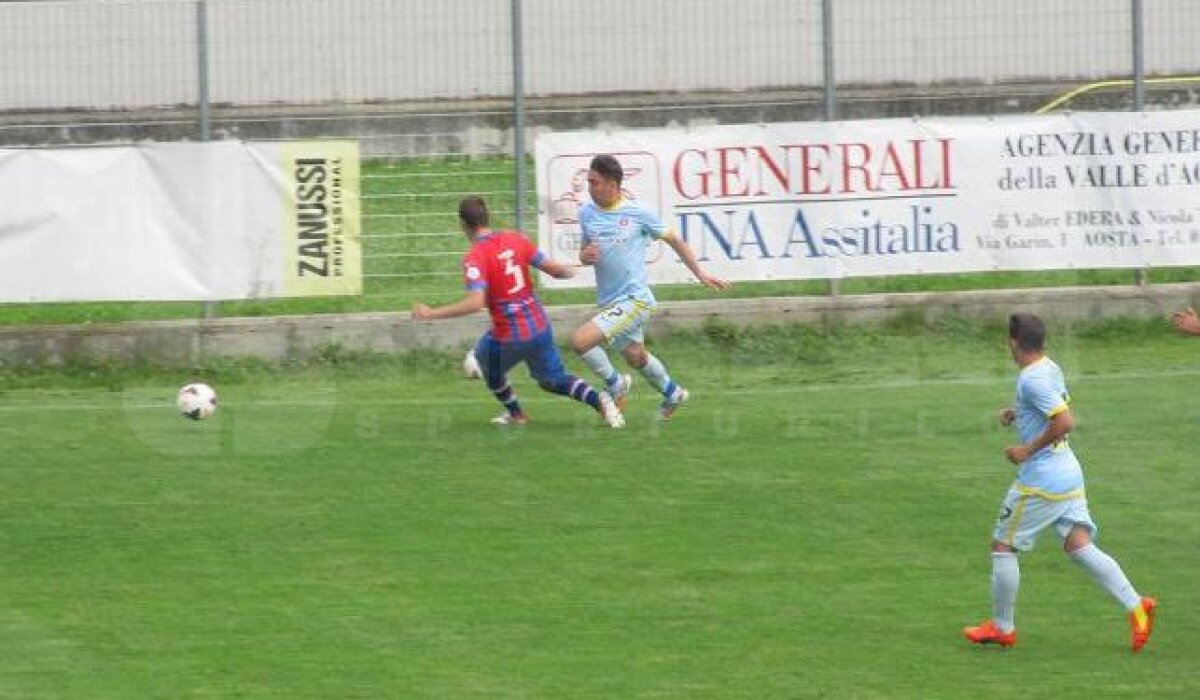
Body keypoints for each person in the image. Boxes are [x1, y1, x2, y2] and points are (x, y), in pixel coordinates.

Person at [963, 313, 1156, 652]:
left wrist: (1026, 449)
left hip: (1042, 480)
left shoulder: (1030, 379)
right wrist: (1019, 412)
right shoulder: (1048, 367)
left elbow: (1065, 420)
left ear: (1011, 343)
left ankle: (1002, 627)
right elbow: (1052, 405)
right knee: (1078, 544)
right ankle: (1136, 606)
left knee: (1003, 545)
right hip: (1069, 471)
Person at [412, 196, 624, 429]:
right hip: (539, 326)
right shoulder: (515, 239)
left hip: (510, 334)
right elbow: (556, 271)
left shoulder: (476, 257)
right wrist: (576, 268)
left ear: (463, 226)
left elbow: (475, 302)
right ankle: (600, 401)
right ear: (487, 217)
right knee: (551, 380)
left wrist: (431, 314)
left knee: (483, 364)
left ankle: (516, 414)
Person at [570, 154, 731, 420]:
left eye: (595, 182)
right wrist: (584, 257)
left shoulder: (638, 213)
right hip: (610, 302)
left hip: (635, 300)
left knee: (580, 341)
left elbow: (674, 239)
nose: (589, 187)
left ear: (612, 184)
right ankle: (672, 392)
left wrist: (700, 272)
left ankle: (615, 383)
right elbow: (584, 252)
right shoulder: (587, 213)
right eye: (588, 181)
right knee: (636, 357)